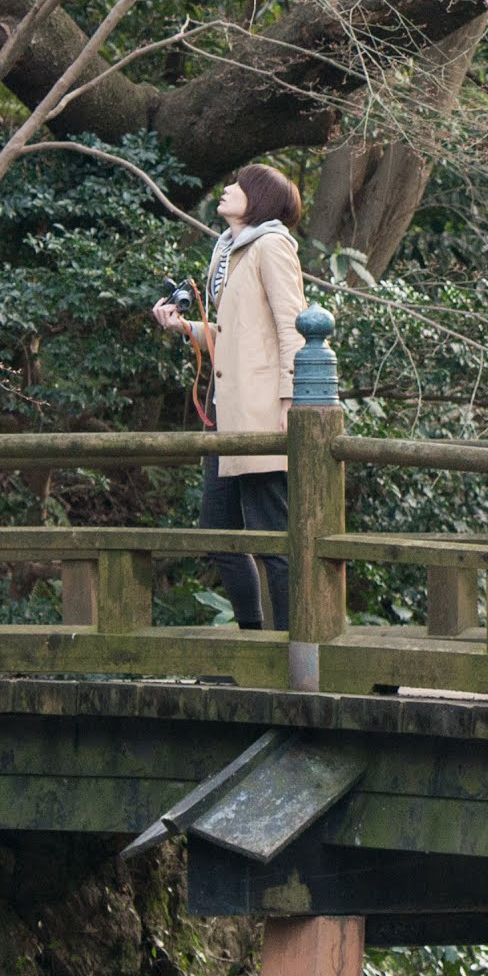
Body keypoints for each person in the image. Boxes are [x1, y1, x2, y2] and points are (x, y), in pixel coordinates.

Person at [152, 166, 309, 633]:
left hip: (263, 410)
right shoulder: (232, 252)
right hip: (227, 411)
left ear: (258, 198)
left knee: (271, 538)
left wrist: (289, 399)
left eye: (237, 186)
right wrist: (184, 328)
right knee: (219, 532)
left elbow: (292, 326)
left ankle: (289, 652)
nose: (226, 189)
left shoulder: (271, 246)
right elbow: (235, 336)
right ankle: (255, 642)